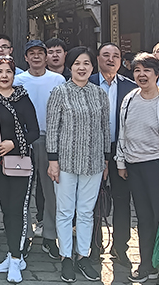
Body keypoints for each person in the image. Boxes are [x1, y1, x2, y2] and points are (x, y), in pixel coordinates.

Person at [115, 53, 159, 284]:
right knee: (143, 218)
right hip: (134, 166)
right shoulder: (129, 99)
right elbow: (123, 132)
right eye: (137, 70)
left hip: (158, 167)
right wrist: (121, 161)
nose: (142, 75)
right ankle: (146, 264)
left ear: (157, 74)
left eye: (147, 70)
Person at [46, 46, 110, 282]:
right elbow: (52, 128)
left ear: (93, 67)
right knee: (65, 211)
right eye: (77, 64)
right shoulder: (60, 92)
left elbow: (105, 128)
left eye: (86, 63)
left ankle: (83, 255)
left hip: (94, 162)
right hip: (65, 162)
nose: (82, 68)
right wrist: (52, 161)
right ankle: (66, 256)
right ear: (70, 66)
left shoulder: (99, 94)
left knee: (86, 212)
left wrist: (106, 159)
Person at [0, 56, 39, 283]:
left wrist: (14, 143)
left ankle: (15, 258)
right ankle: (13, 254)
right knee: (6, 210)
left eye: (8, 71)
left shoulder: (22, 99)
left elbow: (34, 131)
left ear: (14, 74)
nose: (4, 75)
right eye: (0, 71)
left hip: (20, 160)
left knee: (18, 210)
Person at [16, 40, 65, 259]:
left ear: (46, 57)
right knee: (23, 190)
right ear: (26, 57)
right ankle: (24, 234)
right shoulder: (18, 80)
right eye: (32, 53)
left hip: (50, 140)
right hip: (23, 140)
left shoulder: (58, 80)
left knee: (51, 191)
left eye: (40, 53)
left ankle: (50, 236)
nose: (36, 57)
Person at [88, 43, 137, 265]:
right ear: (97, 59)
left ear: (121, 60)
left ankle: (120, 247)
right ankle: (94, 245)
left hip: (121, 150)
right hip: (92, 149)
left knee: (121, 199)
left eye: (115, 56)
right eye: (106, 55)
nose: (111, 59)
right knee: (93, 200)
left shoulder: (131, 87)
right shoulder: (87, 82)